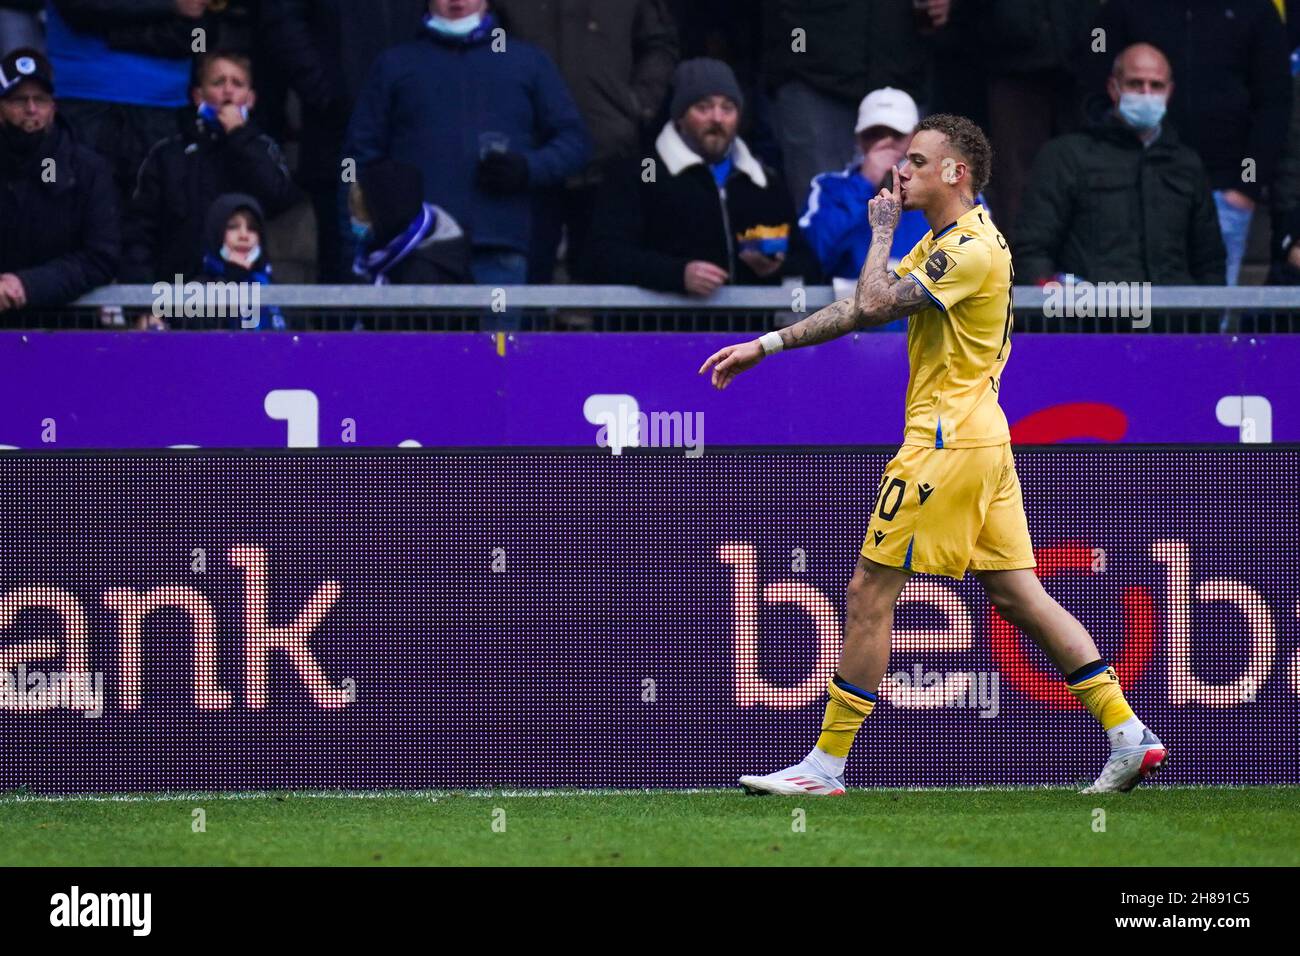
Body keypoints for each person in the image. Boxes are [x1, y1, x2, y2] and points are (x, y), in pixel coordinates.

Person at [699, 113, 1167, 796]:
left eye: (917, 161)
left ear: (957, 172)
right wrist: (764, 346)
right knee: (1018, 595)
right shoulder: (947, 242)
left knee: (868, 593)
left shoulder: (972, 248)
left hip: (945, 444)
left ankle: (824, 768)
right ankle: (1129, 733)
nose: (902, 171)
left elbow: (873, 297)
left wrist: (881, 230)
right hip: (984, 440)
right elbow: (858, 311)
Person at [345, 0, 591, 289]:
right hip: (415, 253)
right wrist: (357, 240)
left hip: (500, 250)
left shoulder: (528, 62)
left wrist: (528, 168)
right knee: (424, 336)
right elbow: (355, 160)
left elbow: (576, 141)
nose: (457, 1)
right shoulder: (394, 65)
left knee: (497, 337)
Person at [1087, 0, 1292, 286]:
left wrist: (1247, 186)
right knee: (1136, 313)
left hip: (1224, 191)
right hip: (1136, 187)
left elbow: (1273, 104)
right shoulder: (1121, 9)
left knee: (1212, 317)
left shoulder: (1256, 10)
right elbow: (1096, 77)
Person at [491, 0, 679, 282]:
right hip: (527, 161)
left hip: (608, 153)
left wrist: (639, 104)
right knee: (522, 284)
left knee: (606, 284)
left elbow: (658, 45)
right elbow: (487, 44)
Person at [587, 57, 809, 294]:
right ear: (679, 117)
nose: (717, 118)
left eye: (727, 108)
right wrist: (677, 275)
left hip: (752, 330)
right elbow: (603, 257)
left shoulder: (764, 183)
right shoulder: (637, 176)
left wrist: (776, 266)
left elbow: (808, 263)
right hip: (664, 329)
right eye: (703, 107)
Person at [1015, 43, 1225, 291]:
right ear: (1114, 88)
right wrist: (1062, 319)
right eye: (1135, 84)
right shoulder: (1066, 156)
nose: (1146, 93)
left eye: (1156, 86)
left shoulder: (1186, 164)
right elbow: (1032, 250)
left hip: (1170, 324)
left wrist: (1202, 323)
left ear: (1169, 92)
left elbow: (1210, 262)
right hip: (1092, 324)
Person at [121, 50, 300, 283]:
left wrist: (239, 136)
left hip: (245, 294)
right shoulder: (167, 154)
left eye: (237, 84)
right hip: (180, 293)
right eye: (218, 83)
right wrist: (143, 301)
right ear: (198, 96)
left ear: (250, 98)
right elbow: (139, 232)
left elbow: (278, 198)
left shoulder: (263, 148)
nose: (228, 91)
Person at [799, 86, 932, 329]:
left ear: (915, 137)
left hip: (930, 337)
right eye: (874, 134)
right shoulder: (828, 187)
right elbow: (817, 252)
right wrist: (865, 182)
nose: (885, 144)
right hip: (852, 339)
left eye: (896, 134)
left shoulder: (943, 189)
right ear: (859, 139)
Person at [0, 47, 118, 317]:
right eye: (19, 100)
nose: (31, 109)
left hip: (65, 327)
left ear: (53, 107)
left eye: (40, 99)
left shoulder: (89, 169)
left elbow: (101, 257)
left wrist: (26, 285)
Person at [349, 159, 471, 285]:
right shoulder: (379, 254)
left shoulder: (424, 274)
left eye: (361, 218)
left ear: (385, 219)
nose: (353, 222)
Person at [194, 192, 286, 331]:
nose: (244, 235)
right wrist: (232, 278)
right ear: (216, 233)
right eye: (233, 226)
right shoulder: (197, 290)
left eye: (252, 228)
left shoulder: (274, 288)